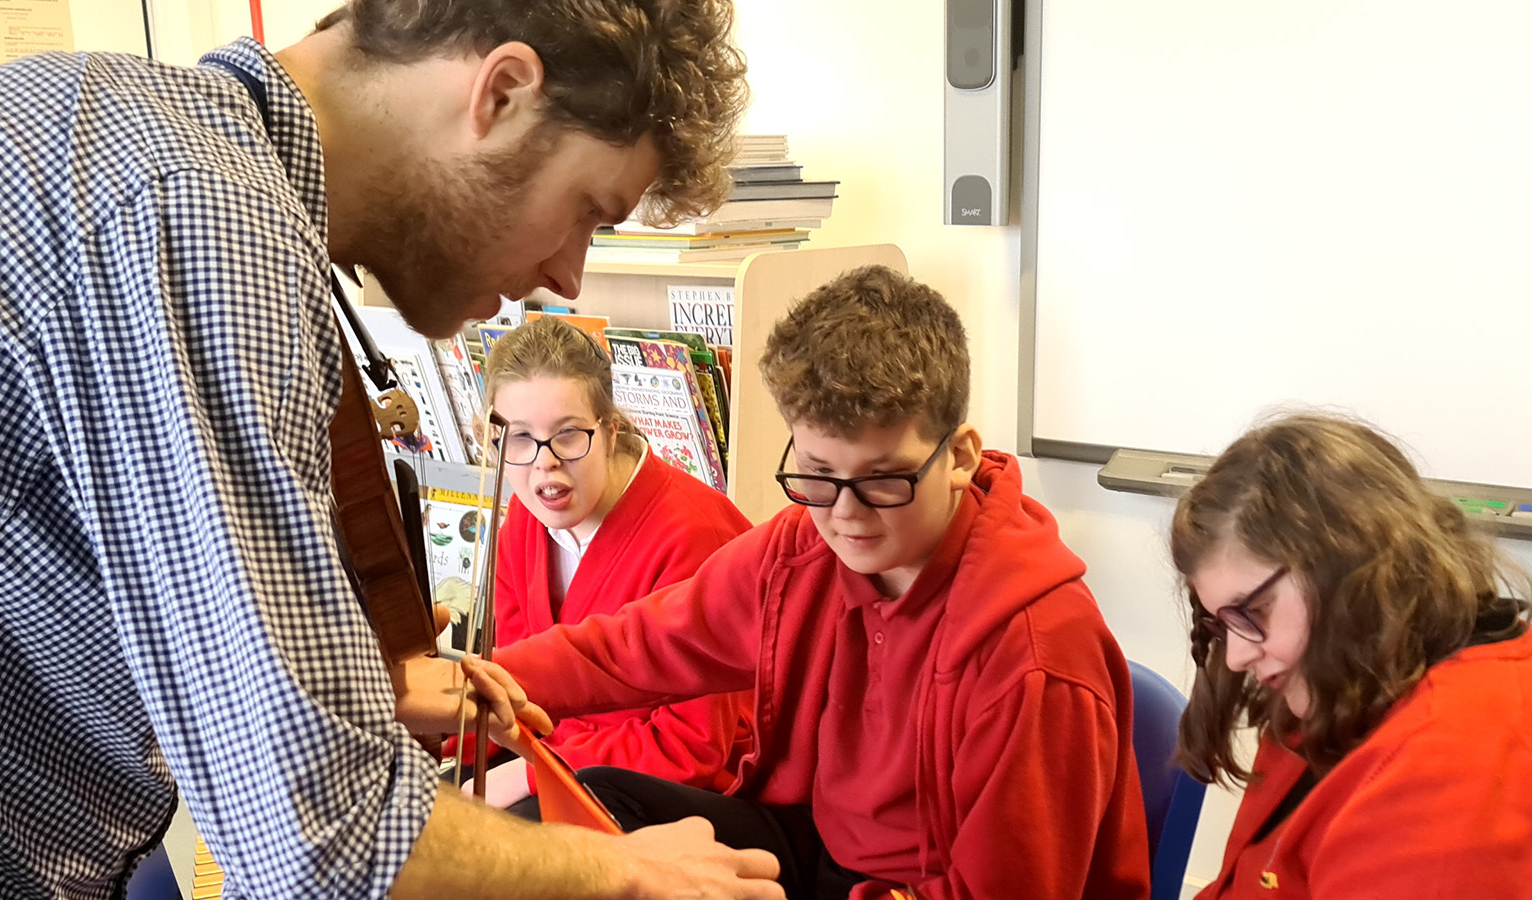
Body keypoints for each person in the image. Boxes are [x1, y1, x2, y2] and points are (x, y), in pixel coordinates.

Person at [0, 1, 784, 898]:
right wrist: (619, 868)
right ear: (501, 93)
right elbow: (320, 846)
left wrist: (361, 693)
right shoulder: (204, 218)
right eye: (585, 211)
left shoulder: (127, 127)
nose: (568, 275)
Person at [496, 265, 1151, 900]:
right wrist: (477, 682)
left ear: (959, 457)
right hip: (821, 850)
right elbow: (635, 646)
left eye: (881, 479)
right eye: (815, 473)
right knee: (600, 805)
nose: (844, 513)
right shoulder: (805, 547)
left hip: (921, 889)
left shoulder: (1035, 656)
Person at [1170, 414, 1532, 899]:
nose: (1235, 656)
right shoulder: (1342, 682)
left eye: (1255, 610)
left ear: (1351, 569)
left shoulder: (1451, 769)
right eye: (1223, 623)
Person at [450, 315, 752, 812]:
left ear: (610, 430)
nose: (544, 462)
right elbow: (521, 695)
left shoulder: (695, 535)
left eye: (568, 435)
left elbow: (692, 747)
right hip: (561, 757)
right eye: (519, 438)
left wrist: (528, 774)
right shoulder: (527, 517)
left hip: (680, 789)